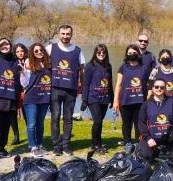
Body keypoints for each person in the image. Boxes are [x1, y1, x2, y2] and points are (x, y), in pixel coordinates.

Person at [46, 24, 85, 156]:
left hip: (71, 90)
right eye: (63, 33)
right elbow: (38, 61)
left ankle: (66, 145)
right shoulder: (50, 48)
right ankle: (56, 145)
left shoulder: (77, 50)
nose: (65, 36)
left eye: (68, 34)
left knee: (68, 119)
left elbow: (82, 71)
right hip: (55, 89)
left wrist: (81, 87)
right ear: (59, 34)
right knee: (55, 117)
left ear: (71, 34)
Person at [136, 78, 173, 161]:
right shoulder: (146, 104)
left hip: (168, 137)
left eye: (162, 87)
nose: (159, 89)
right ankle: (157, 152)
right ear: (152, 88)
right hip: (152, 138)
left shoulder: (172, 103)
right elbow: (141, 123)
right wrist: (148, 138)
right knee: (145, 155)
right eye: (156, 87)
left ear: (165, 89)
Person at [112, 45, 149, 151]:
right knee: (126, 123)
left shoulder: (144, 67)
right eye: (129, 53)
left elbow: (149, 85)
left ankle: (138, 143)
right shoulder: (123, 67)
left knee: (139, 124)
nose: (132, 55)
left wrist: (148, 100)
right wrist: (115, 101)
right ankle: (127, 142)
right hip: (125, 101)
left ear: (138, 54)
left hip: (140, 101)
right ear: (126, 55)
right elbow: (118, 85)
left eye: (134, 53)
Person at [20, 42, 51, 157]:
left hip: (44, 98)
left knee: (40, 123)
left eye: (41, 50)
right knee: (31, 124)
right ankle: (33, 146)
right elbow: (24, 83)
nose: (39, 52)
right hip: (31, 98)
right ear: (32, 53)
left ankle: (39, 144)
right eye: (36, 51)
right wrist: (22, 73)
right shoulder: (29, 64)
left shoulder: (48, 65)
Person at [81, 44, 113, 154]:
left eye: (103, 52)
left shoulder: (108, 66)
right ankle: (96, 145)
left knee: (99, 122)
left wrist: (112, 98)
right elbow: (86, 84)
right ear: (95, 53)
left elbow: (110, 84)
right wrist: (84, 100)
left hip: (105, 98)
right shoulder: (90, 66)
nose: (101, 54)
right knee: (98, 120)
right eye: (99, 52)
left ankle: (97, 143)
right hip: (93, 98)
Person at [10, 43, 28, 145]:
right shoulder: (12, 63)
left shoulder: (29, 61)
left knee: (27, 114)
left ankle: (31, 135)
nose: (20, 53)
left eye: (21, 51)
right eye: (17, 52)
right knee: (13, 114)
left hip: (26, 91)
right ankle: (16, 136)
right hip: (14, 91)